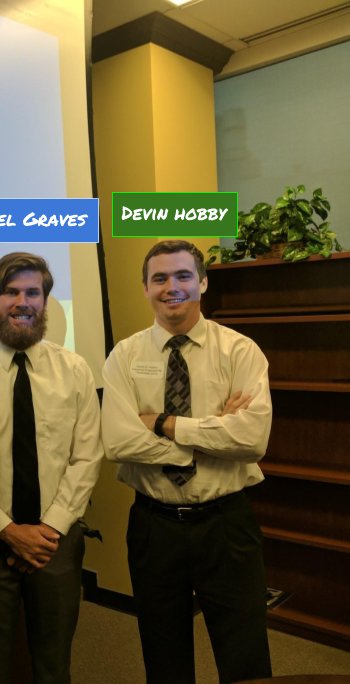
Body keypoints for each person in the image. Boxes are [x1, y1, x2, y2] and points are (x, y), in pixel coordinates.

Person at [101, 240, 273, 684]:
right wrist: (211, 435)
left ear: (203, 282)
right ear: (145, 288)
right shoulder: (124, 356)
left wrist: (163, 423)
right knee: (164, 657)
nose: (171, 287)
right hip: (153, 526)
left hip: (226, 525)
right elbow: (118, 442)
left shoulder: (240, 351)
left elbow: (252, 440)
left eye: (183, 276)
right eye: (159, 278)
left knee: (246, 655)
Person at [0, 253, 103, 684]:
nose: (22, 302)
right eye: (10, 292)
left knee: (54, 664)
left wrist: (48, 530)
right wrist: (8, 531)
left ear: (46, 301)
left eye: (33, 292)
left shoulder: (75, 371)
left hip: (56, 543)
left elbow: (87, 456)